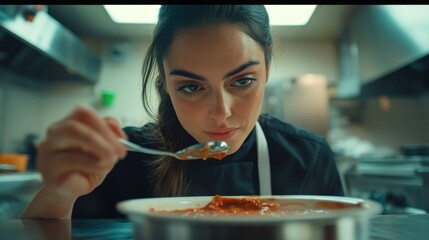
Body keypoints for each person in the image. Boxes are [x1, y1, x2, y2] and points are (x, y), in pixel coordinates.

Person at [22, 5, 344, 219]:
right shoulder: (119, 161)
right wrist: (59, 192)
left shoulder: (308, 160)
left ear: (268, 66)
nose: (221, 113)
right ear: (164, 79)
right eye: (191, 87)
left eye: (243, 81)